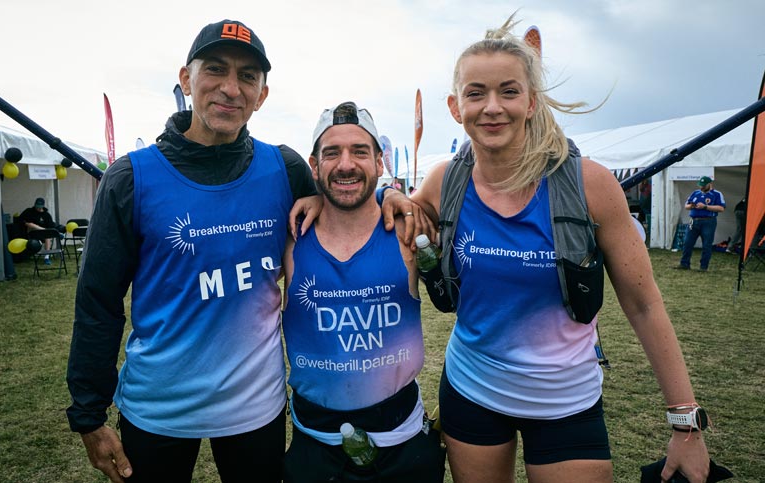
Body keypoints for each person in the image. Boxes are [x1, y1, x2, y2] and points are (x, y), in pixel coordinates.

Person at [66, 19, 422, 483]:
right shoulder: (131, 178)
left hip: (257, 409)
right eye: (215, 69)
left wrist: (389, 196)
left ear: (262, 95)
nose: (230, 88)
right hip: (158, 409)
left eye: (248, 77)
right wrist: (89, 413)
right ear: (185, 78)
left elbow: (346, 192)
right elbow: (98, 302)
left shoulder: (284, 167)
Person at [410, 15, 711, 483]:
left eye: (509, 91)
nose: (492, 107)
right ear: (455, 107)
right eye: (476, 93)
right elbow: (394, 220)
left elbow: (645, 303)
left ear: (532, 102)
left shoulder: (588, 183)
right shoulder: (444, 181)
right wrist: (391, 197)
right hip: (471, 393)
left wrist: (685, 423)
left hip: (566, 404)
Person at [281, 102, 445, 483]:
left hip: (403, 443)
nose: (346, 164)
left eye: (359, 151)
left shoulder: (408, 231)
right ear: (314, 166)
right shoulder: (289, 238)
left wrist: (393, 195)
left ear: (380, 161)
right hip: (315, 443)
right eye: (332, 152)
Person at [677, 176, 726, 271]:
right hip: (694, 220)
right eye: (700, 185)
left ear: (710, 184)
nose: (701, 187)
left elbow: (721, 208)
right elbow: (686, 206)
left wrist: (705, 207)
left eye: (704, 186)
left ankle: (703, 266)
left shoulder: (717, 194)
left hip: (708, 221)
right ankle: (684, 263)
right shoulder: (695, 193)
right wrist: (691, 206)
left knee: (707, 244)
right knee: (687, 242)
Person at [19, 197, 59, 264]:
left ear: (43, 206)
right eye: (37, 206)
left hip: (43, 234)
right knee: (30, 224)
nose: (38, 208)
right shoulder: (29, 211)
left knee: (47, 235)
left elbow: (51, 226)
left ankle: (46, 257)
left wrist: (45, 230)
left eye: (40, 207)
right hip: (32, 233)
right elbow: (21, 220)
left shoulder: (46, 215)